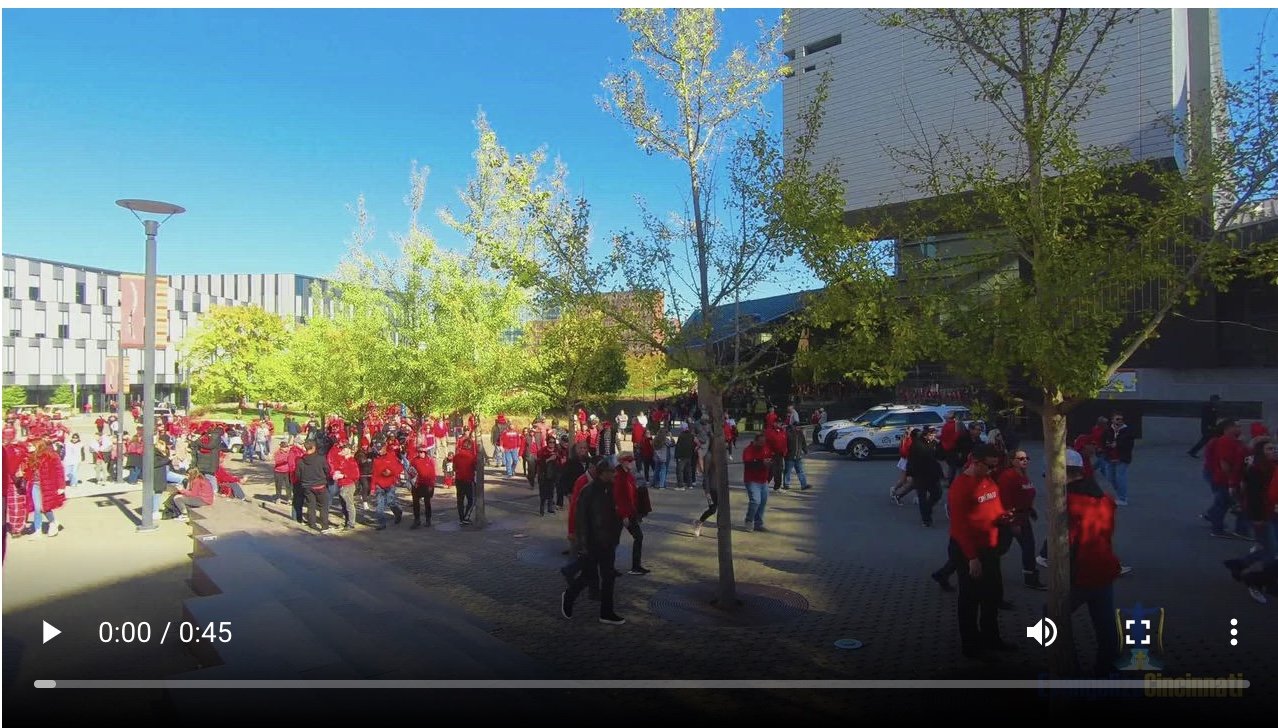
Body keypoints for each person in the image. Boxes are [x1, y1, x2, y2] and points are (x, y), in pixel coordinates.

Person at [948, 443, 1015, 660]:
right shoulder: (961, 487)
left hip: (990, 546)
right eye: (989, 466)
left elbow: (993, 506)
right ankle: (970, 644)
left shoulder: (987, 479)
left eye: (996, 466)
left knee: (993, 594)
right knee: (970, 598)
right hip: (969, 550)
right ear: (976, 462)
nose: (993, 470)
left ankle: (991, 638)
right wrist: (972, 558)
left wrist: (1004, 516)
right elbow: (959, 526)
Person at [1062, 448, 1122, 676]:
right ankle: (1107, 668)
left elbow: (1067, 539)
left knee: (1053, 614)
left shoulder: (1069, 501)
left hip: (1082, 570)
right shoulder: (1104, 498)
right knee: (1105, 623)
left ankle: (1067, 664)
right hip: (1104, 565)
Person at [561, 461, 626, 625]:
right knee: (587, 577)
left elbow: (615, 513)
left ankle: (607, 612)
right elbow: (580, 519)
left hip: (608, 542)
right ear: (603, 473)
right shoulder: (588, 491)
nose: (615, 474)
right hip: (592, 543)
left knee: (608, 577)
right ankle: (569, 596)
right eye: (612, 471)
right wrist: (582, 544)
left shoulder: (611, 489)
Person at [1223, 437, 1278, 599]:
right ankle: (1263, 581)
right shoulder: (1256, 470)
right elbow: (1253, 496)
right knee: (1271, 550)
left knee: (1269, 547)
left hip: (1271, 513)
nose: (1274, 451)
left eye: (1275, 448)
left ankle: (1240, 564)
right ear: (1260, 452)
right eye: (1270, 449)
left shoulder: (1272, 467)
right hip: (1261, 515)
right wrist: (1257, 518)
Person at [998, 450, 1045, 590]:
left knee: (1023, 547)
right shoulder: (1007, 477)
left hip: (1023, 517)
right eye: (1020, 459)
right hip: (1012, 519)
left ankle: (1030, 577)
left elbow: (1025, 495)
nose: (1024, 461)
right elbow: (1006, 501)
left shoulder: (1023, 475)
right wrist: (1013, 522)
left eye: (1026, 458)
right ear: (1012, 461)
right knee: (1004, 548)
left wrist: (1031, 510)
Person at [1204, 420, 1252, 539]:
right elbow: (1224, 462)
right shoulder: (1225, 441)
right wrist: (1231, 480)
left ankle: (1219, 524)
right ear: (1227, 428)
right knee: (1235, 504)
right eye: (1237, 426)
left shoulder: (1236, 442)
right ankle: (1237, 530)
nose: (1240, 429)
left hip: (1229, 478)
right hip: (1226, 479)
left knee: (1224, 503)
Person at [26, 439, 67, 538]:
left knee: (46, 507)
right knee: (37, 508)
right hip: (35, 485)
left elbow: (59, 471)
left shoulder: (52, 456)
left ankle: (53, 523)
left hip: (48, 486)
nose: (28, 447)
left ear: (38, 446)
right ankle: (38, 530)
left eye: (31, 445)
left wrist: (61, 486)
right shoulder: (30, 457)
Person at [615, 455, 648, 575]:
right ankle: (608, 567)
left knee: (638, 537)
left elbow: (632, 494)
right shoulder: (618, 476)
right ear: (622, 462)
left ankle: (636, 566)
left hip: (630, 512)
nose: (631, 462)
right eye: (629, 461)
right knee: (613, 541)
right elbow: (618, 497)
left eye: (632, 460)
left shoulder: (628, 474)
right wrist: (624, 515)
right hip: (621, 514)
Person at [907, 427, 944, 527]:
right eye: (931, 435)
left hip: (933, 474)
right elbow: (911, 460)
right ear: (925, 435)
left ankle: (928, 508)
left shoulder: (934, 443)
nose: (933, 437)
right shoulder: (917, 445)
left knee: (937, 493)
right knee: (922, 496)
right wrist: (910, 474)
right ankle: (926, 519)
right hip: (921, 474)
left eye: (934, 435)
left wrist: (939, 444)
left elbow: (940, 456)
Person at [296, 440, 333, 532]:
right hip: (320, 485)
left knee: (311, 505)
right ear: (313, 447)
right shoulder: (321, 459)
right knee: (323, 506)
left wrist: (304, 482)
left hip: (307, 486)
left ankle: (312, 523)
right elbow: (327, 470)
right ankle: (324, 525)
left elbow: (298, 475)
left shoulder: (300, 461)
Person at [1100, 413, 1134, 506]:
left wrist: (1117, 444)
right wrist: (1106, 447)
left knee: (1120, 478)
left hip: (1122, 458)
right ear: (1113, 420)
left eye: (1121, 419)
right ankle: (1120, 493)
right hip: (1110, 457)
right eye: (1117, 419)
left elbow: (1129, 444)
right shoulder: (1108, 430)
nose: (1120, 421)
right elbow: (1103, 441)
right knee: (1110, 477)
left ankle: (1122, 498)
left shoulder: (1127, 431)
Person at [742, 433, 771, 532]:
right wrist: (762, 463)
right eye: (761, 442)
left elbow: (770, 459)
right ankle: (749, 520)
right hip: (752, 480)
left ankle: (758, 523)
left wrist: (770, 464)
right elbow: (749, 465)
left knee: (762, 502)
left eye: (764, 442)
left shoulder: (766, 448)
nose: (763, 444)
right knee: (755, 501)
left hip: (763, 480)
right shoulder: (748, 450)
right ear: (756, 441)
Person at [329, 442, 360, 530]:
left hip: (348, 485)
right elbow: (332, 458)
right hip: (341, 484)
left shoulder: (352, 461)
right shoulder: (342, 460)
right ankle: (347, 521)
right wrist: (336, 472)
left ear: (349, 450)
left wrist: (344, 475)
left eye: (345, 448)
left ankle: (351, 523)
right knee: (343, 505)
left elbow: (356, 475)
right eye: (342, 448)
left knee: (349, 504)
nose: (342, 450)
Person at [453, 436, 478, 526]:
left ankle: (461, 518)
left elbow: (454, 468)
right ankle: (466, 517)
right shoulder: (472, 457)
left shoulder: (456, 456)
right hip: (468, 480)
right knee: (472, 500)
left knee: (460, 500)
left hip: (459, 480)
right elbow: (475, 467)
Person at [408, 446, 436, 529]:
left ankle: (428, 519)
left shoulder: (430, 460)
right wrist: (412, 482)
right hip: (417, 485)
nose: (421, 454)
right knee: (416, 503)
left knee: (427, 502)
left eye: (423, 452)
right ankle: (417, 520)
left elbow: (433, 474)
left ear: (425, 453)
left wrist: (432, 485)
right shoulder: (414, 461)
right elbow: (410, 472)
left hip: (427, 485)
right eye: (420, 452)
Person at [782, 423, 810, 491]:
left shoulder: (800, 434)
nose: (798, 428)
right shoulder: (788, 434)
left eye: (799, 427)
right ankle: (786, 484)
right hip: (789, 457)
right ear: (793, 427)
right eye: (797, 427)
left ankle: (804, 485)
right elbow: (784, 444)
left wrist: (806, 450)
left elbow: (803, 444)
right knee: (788, 471)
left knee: (800, 471)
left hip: (798, 456)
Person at [765, 422, 788, 492]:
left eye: (781, 424)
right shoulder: (771, 433)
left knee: (779, 470)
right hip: (773, 455)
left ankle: (777, 486)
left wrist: (785, 451)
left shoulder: (783, 433)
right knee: (772, 471)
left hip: (780, 455)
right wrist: (769, 453)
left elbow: (785, 443)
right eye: (779, 424)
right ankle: (764, 484)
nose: (781, 425)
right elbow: (767, 443)